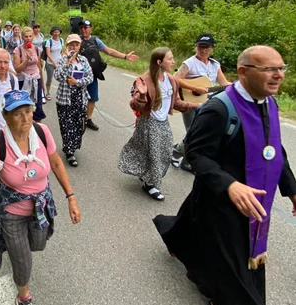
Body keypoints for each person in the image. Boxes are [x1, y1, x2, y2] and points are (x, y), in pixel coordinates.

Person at [153, 46, 296, 305]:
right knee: (236, 261)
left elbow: (275, 151)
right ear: (244, 72)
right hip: (222, 198)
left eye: (281, 68)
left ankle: (177, 240)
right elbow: (196, 154)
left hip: (254, 198)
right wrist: (230, 186)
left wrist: (292, 189)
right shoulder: (220, 109)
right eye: (269, 69)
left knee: (192, 226)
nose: (278, 75)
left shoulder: (268, 104)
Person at [0, 90, 81, 305]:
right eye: (17, 114)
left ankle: (19, 252)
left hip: (40, 206)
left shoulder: (42, 132)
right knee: (23, 260)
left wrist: (70, 197)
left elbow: (56, 163)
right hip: (12, 211)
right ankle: (24, 298)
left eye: (28, 111)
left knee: (38, 244)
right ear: (6, 117)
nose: (25, 118)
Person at [118, 47, 195, 200]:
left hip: (163, 122)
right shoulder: (143, 81)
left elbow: (177, 103)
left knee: (165, 151)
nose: (174, 61)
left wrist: (196, 106)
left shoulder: (171, 80)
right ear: (159, 62)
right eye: (170, 59)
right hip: (148, 122)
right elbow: (135, 105)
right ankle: (151, 184)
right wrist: (141, 95)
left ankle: (147, 174)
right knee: (155, 153)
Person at [172, 34, 230, 172]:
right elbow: (175, 79)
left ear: (211, 49)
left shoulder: (215, 65)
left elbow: (224, 83)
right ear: (195, 47)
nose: (202, 50)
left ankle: (182, 158)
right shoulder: (189, 63)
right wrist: (195, 88)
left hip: (206, 102)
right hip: (189, 102)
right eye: (200, 46)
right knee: (194, 133)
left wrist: (239, 86)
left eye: (206, 47)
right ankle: (178, 155)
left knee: (199, 132)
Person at [78, 20, 138, 131]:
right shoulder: (76, 39)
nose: (83, 29)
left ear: (91, 28)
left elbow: (109, 51)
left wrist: (125, 56)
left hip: (92, 75)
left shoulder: (95, 41)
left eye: (86, 27)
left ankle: (88, 119)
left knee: (92, 98)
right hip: (78, 75)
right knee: (77, 97)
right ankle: (77, 119)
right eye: (81, 27)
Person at [53, 34, 94, 167]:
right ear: (67, 46)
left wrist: (77, 82)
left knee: (78, 125)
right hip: (65, 98)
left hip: (80, 98)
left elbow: (90, 77)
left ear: (79, 46)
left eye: (76, 44)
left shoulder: (83, 60)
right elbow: (58, 76)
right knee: (66, 126)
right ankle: (69, 151)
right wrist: (67, 64)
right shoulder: (62, 60)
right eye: (71, 44)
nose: (73, 47)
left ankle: (73, 145)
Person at [13, 27, 46, 121]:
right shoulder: (18, 50)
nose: (28, 38)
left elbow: (39, 66)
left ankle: (38, 127)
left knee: (38, 105)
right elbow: (17, 69)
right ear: (22, 37)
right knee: (23, 105)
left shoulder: (37, 49)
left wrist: (42, 82)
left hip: (36, 79)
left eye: (30, 36)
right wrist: (26, 60)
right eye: (26, 36)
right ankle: (25, 125)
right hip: (23, 80)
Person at [43, 26, 64, 100]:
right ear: (52, 33)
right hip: (50, 63)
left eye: (57, 32)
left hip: (59, 63)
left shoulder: (61, 40)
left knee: (62, 78)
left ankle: (62, 93)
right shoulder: (49, 41)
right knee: (49, 79)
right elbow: (48, 54)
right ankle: (48, 93)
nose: (56, 33)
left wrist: (63, 59)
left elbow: (61, 51)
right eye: (54, 32)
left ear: (59, 32)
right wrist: (54, 62)